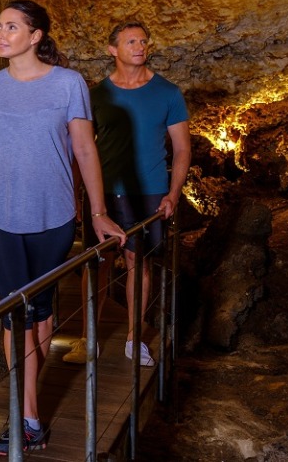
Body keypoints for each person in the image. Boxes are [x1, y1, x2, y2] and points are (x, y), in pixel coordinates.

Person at [0, 0, 125, 455]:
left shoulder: (68, 84)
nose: (1, 34)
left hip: (54, 218)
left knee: (39, 314)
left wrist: (97, 212)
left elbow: (84, 151)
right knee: (15, 313)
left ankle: (28, 409)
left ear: (36, 35)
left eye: (12, 26)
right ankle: (28, 417)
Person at [90, 21, 189, 368]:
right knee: (99, 264)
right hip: (105, 193)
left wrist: (173, 194)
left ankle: (134, 338)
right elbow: (84, 150)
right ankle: (92, 336)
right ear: (112, 50)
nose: (139, 46)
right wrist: (82, 199)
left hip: (149, 191)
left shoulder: (168, 93)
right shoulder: (97, 95)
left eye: (143, 41)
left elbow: (181, 150)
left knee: (138, 261)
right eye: (131, 41)